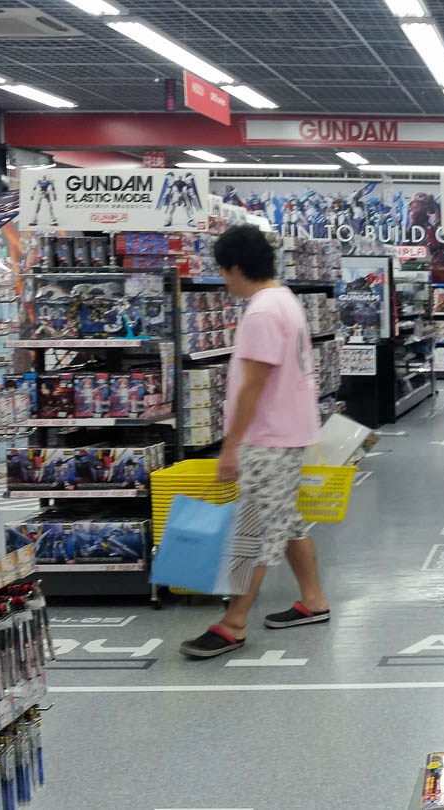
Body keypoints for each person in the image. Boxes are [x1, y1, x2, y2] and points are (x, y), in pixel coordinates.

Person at [180, 225, 332, 659]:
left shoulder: (262, 312)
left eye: (222, 271)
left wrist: (230, 446)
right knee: (286, 519)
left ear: (235, 268)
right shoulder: (284, 298)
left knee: (257, 529)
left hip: (268, 435)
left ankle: (233, 623)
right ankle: (313, 600)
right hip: (288, 430)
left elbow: (253, 385)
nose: (222, 279)